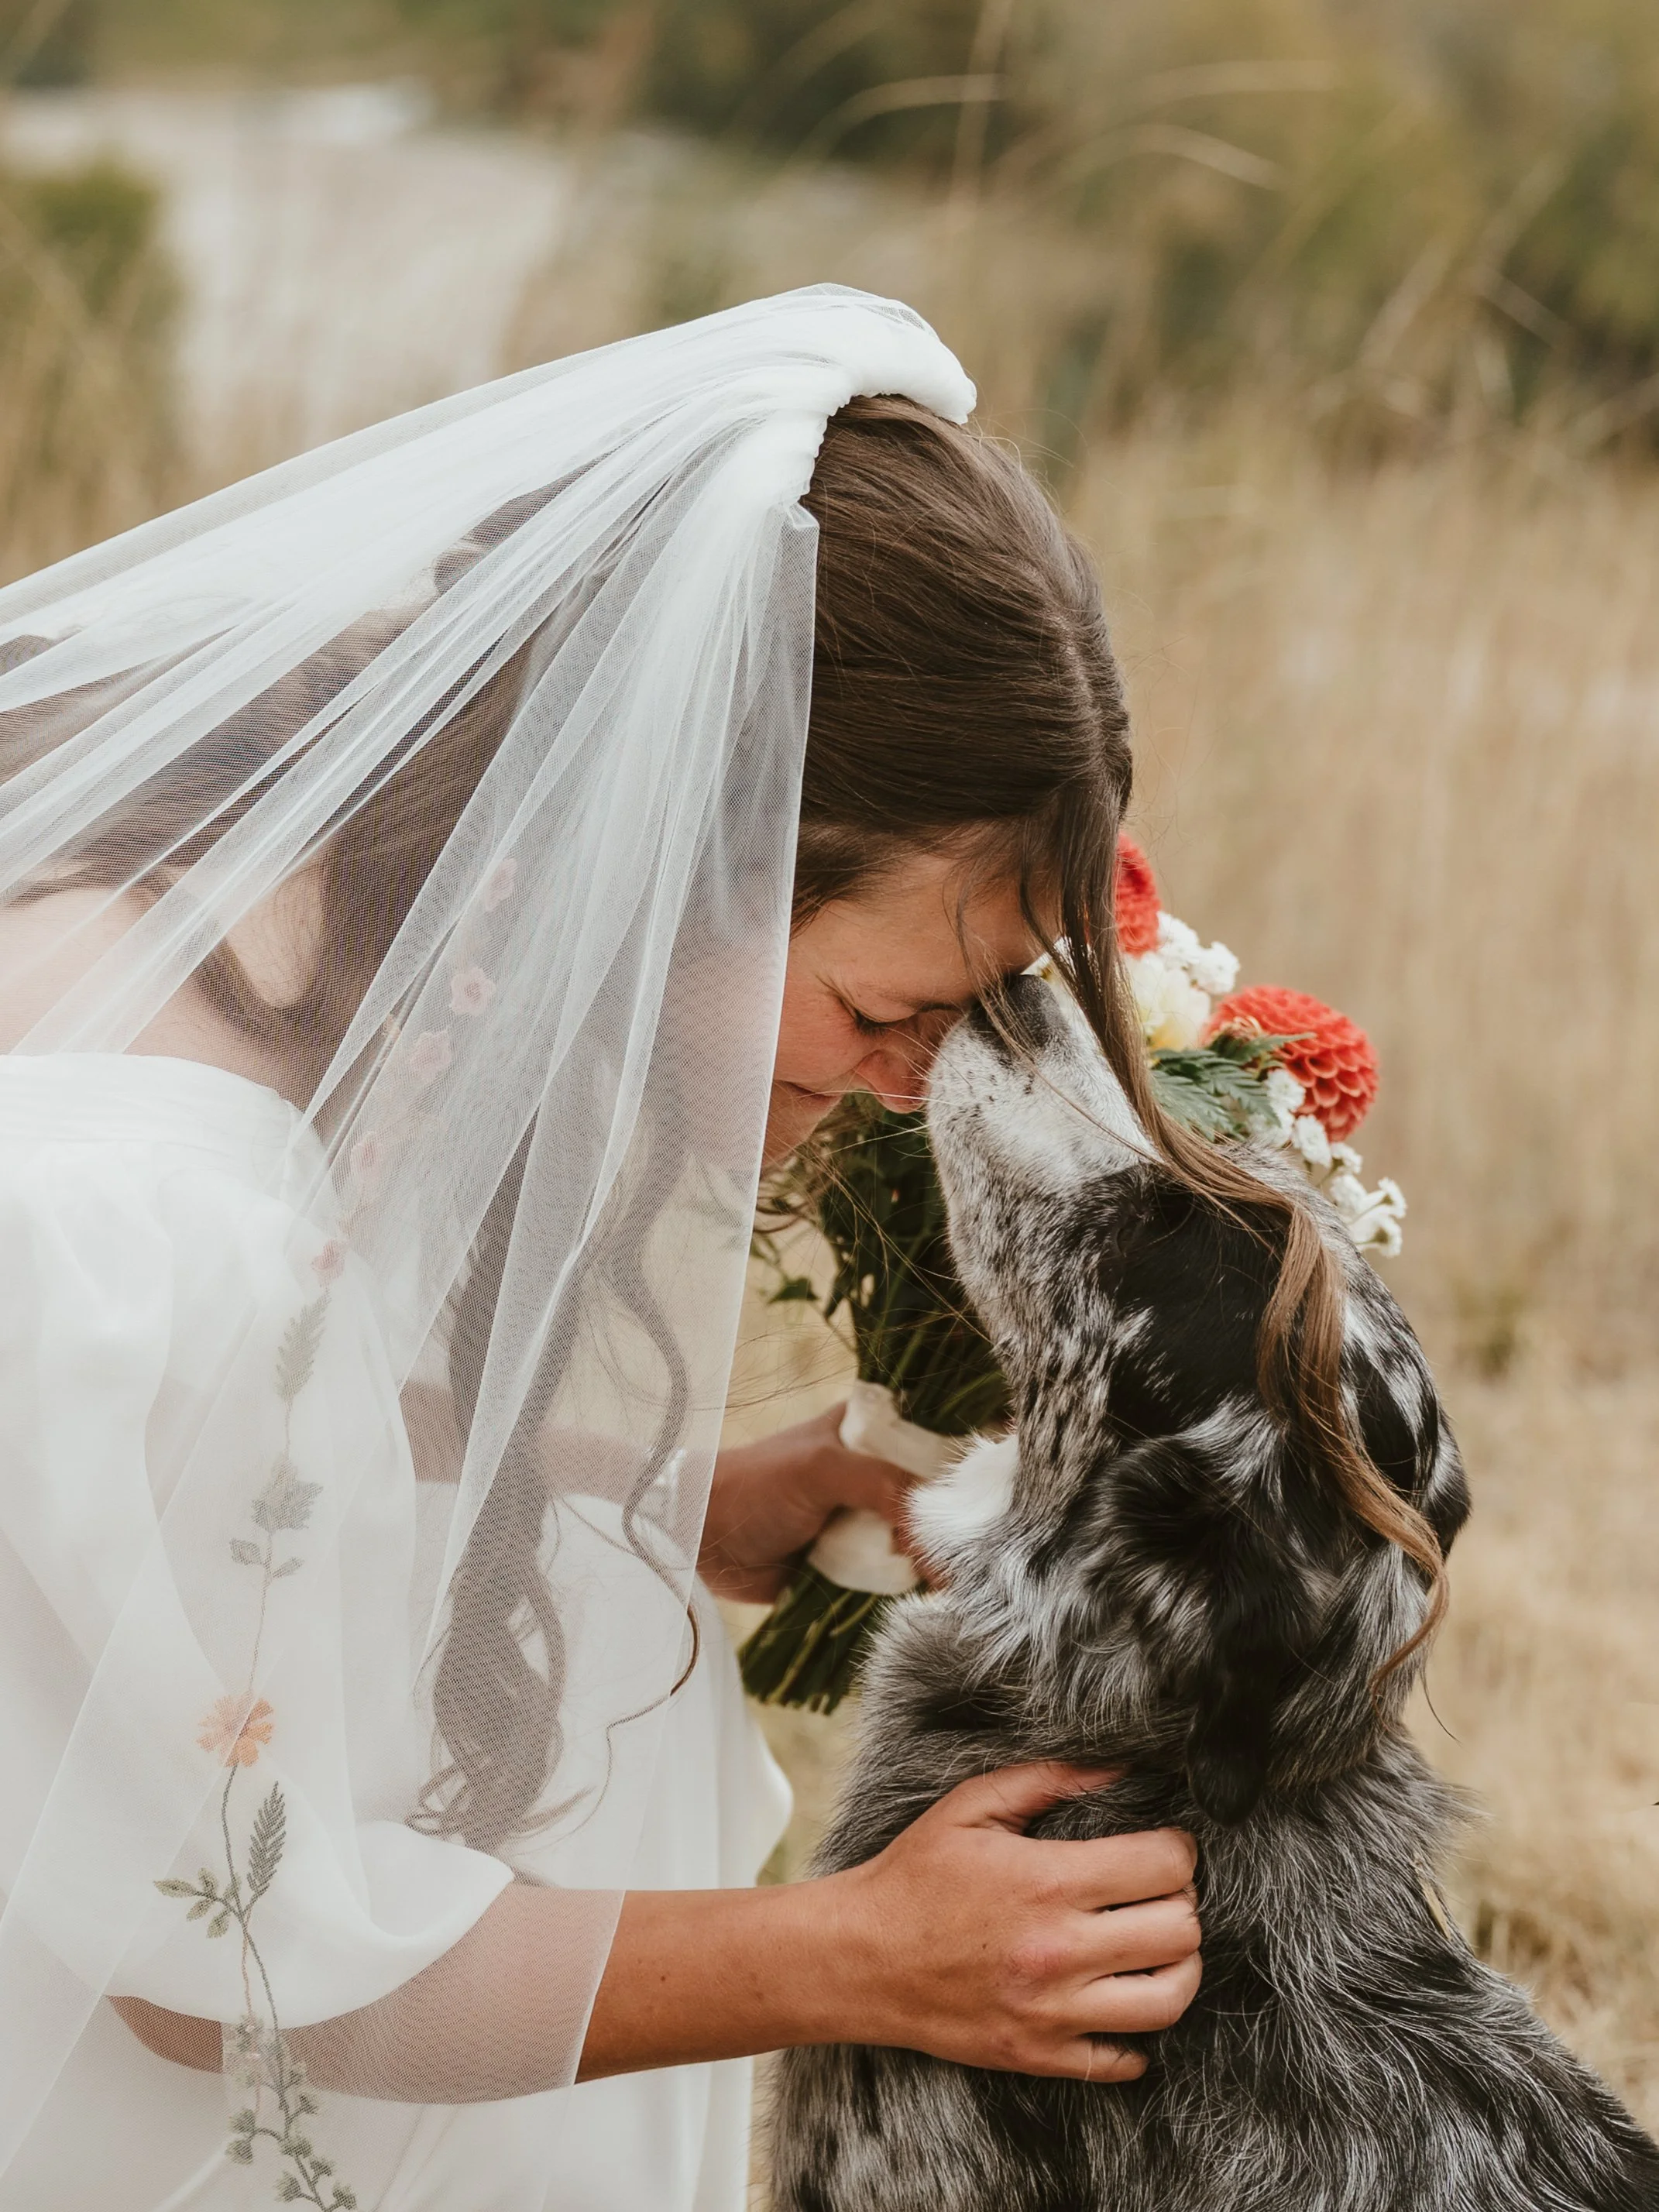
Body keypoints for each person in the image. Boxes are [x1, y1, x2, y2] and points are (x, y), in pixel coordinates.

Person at [0, 290, 1205, 2212]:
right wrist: (869, 1955)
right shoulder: (159, 1214)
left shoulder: (269, 903)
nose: (909, 1088)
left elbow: (135, 1522)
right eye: (887, 1006)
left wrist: (658, 1498)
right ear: (693, 850)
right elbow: (222, 1950)